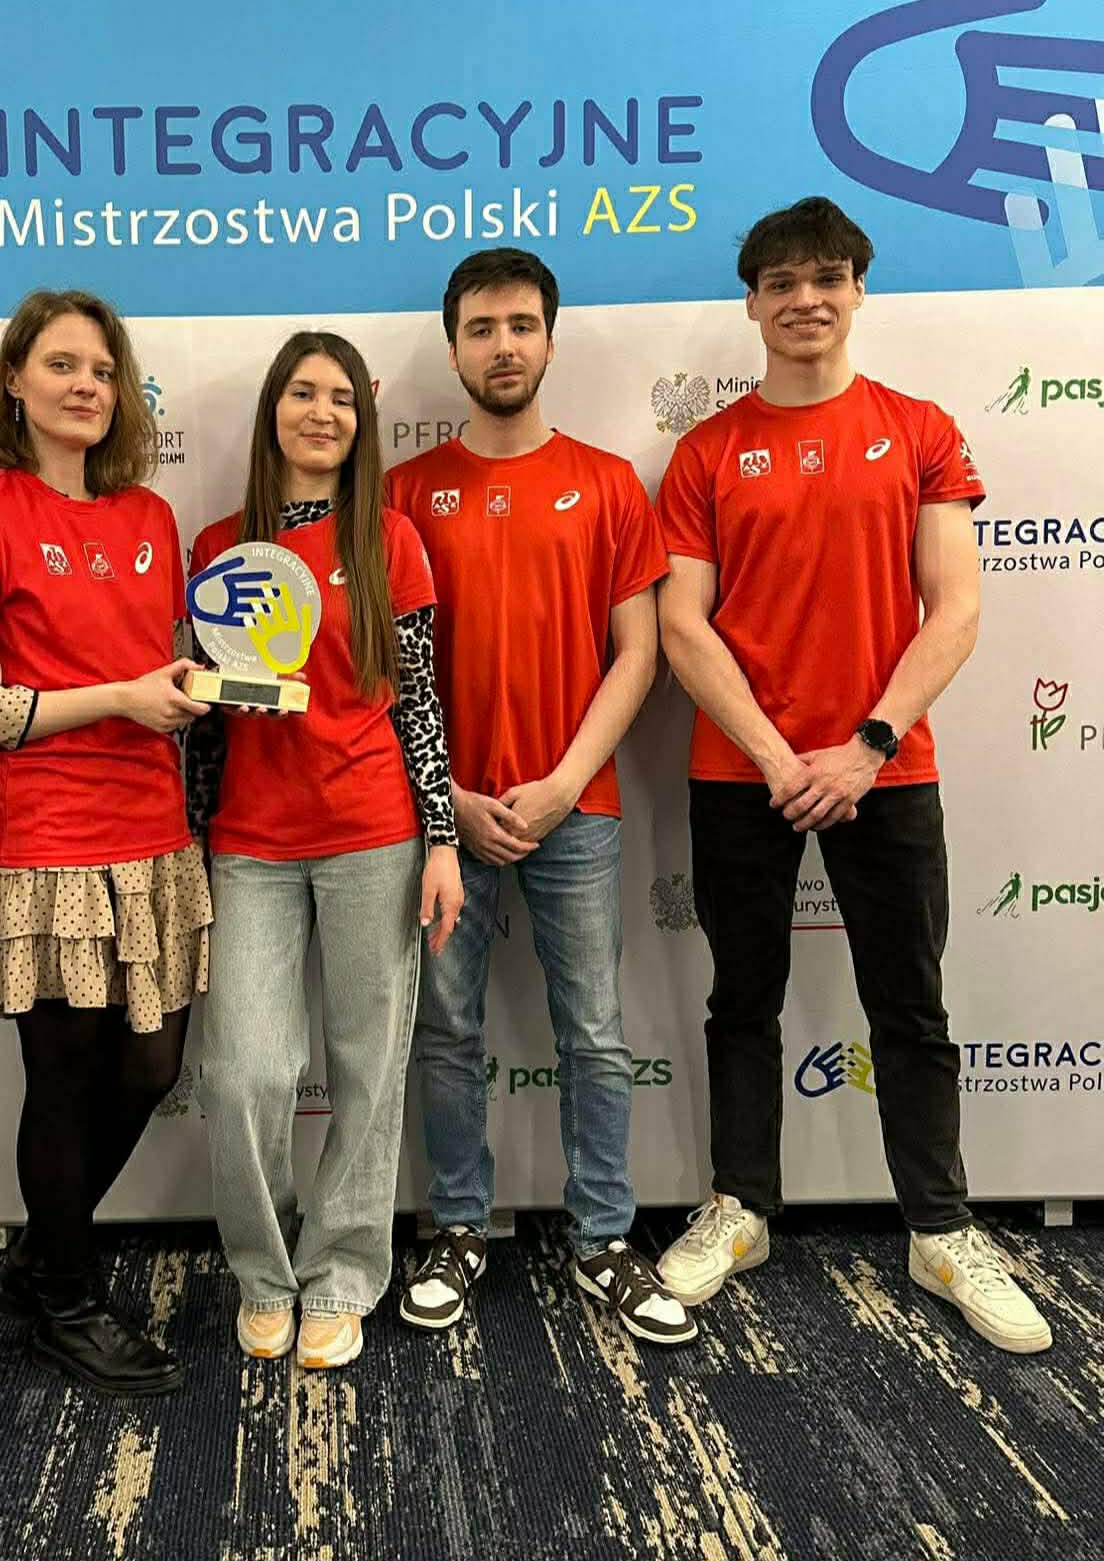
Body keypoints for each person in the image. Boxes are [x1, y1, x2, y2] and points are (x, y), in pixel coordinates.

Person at [653, 196, 1051, 1353]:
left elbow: (956, 606)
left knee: (910, 1003)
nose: (805, 299)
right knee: (742, 998)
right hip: (747, 772)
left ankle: (941, 1227)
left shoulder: (919, 430)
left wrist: (866, 744)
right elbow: (683, 624)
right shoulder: (706, 451)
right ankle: (740, 1207)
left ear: (859, 290)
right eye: (781, 281)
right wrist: (781, 758)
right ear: (752, 303)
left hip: (889, 764)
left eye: (827, 277)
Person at [386, 248, 694, 1345]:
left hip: (579, 809)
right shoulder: (403, 494)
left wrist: (564, 783)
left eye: (521, 325)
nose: (503, 345)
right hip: (443, 819)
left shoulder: (607, 483)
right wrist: (452, 799)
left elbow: (638, 654)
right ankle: (459, 1227)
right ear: (453, 347)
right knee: (447, 1030)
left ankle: (604, 1237)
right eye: (482, 328)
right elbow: (386, 671)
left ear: (550, 341)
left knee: (596, 1031)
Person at [0, 289, 211, 1396]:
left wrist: (192, 690)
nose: (86, 384)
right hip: (47, 844)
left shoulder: (150, 519)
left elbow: (161, 673)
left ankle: (46, 1260)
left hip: (155, 836)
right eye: (61, 364)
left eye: (102, 368)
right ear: (15, 380)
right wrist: (120, 697)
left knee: (154, 1065)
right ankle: (71, 1305)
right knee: (65, 1076)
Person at [190, 331, 464, 1370]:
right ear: (273, 410)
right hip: (250, 845)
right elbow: (205, 726)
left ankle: (343, 1273)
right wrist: (189, 835)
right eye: (303, 393)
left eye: (342, 398)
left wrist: (442, 837)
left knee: (367, 1067)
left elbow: (418, 700)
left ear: (363, 419)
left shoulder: (391, 538)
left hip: (373, 835)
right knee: (245, 1071)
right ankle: (264, 1272)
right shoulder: (219, 544)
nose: (322, 413)